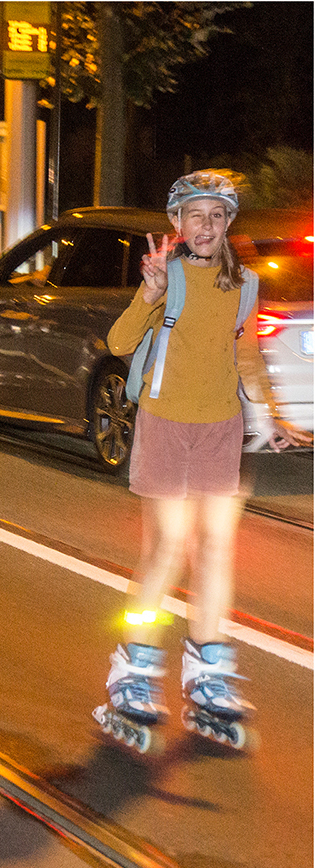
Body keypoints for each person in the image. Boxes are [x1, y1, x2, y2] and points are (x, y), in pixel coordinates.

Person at [94, 171, 312, 749]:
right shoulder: (166, 277)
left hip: (220, 429)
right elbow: (119, 344)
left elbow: (246, 356)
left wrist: (269, 417)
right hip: (165, 426)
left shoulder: (244, 284)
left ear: (228, 223)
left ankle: (209, 674)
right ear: (177, 223)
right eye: (196, 214)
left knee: (216, 549)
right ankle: (133, 671)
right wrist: (147, 294)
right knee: (167, 550)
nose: (207, 225)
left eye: (217, 215)